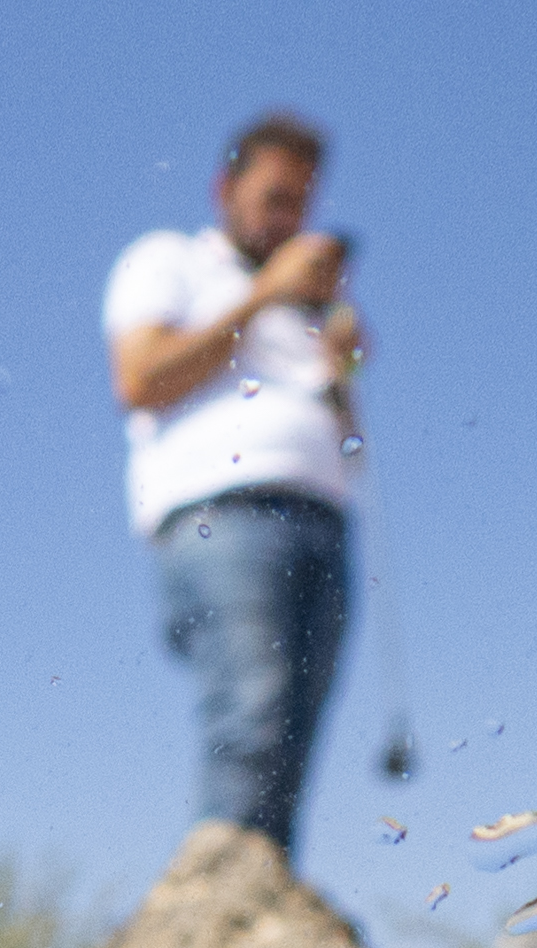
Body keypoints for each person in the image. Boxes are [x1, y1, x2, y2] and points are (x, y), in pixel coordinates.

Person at [103, 111, 369, 860]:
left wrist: (338, 368)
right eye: (275, 196)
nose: (290, 218)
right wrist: (261, 299)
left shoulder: (305, 313)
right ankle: (212, 915)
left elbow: (349, 443)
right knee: (250, 715)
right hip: (223, 517)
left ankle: (260, 915)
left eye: (302, 201)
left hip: (322, 517)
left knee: (294, 734)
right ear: (226, 188)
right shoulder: (171, 261)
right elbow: (142, 378)